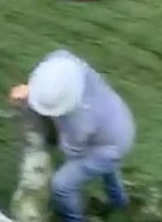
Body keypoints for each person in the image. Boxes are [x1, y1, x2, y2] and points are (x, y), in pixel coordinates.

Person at [10, 49, 134, 222]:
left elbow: (73, 152)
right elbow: (50, 82)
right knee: (108, 168)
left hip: (109, 146)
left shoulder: (79, 121)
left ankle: (73, 218)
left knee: (62, 185)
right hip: (118, 119)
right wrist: (32, 90)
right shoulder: (62, 61)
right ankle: (119, 201)